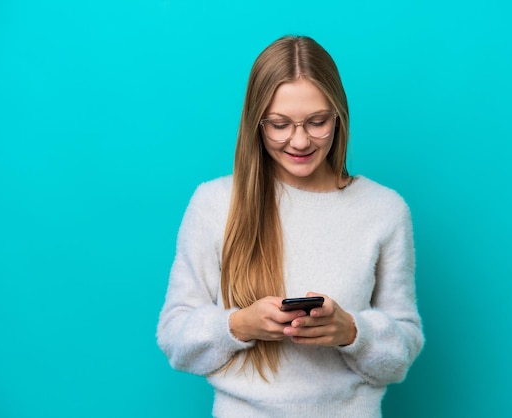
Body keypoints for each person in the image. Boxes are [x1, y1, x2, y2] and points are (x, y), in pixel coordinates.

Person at [156, 35, 424, 418]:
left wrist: (351, 332)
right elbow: (174, 338)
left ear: (338, 116)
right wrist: (238, 325)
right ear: (256, 123)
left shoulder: (385, 209)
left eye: (317, 121)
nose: (300, 141)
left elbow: (402, 353)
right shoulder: (214, 203)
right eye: (279, 124)